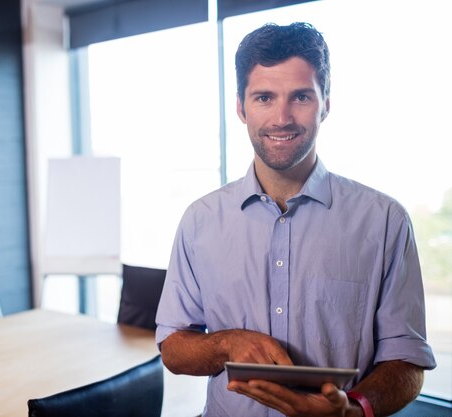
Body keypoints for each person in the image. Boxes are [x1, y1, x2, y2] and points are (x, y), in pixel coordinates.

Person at [155, 22, 436, 417]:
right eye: (264, 98)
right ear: (241, 106)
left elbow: (407, 361)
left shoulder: (385, 221)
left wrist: (353, 410)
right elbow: (173, 347)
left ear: (326, 103)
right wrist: (226, 344)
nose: (282, 118)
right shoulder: (199, 221)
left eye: (301, 96)